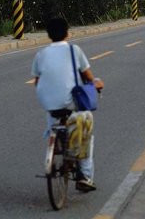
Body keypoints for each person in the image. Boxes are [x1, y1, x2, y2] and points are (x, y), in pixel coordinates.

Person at [31, 16, 104, 192]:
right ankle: (85, 176)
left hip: (49, 104)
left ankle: (54, 139)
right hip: (70, 103)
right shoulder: (74, 50)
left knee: (54, 120)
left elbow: (37, 81)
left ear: (48, 35)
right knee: (86, 130)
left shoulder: (40, 54)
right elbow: (88, 77)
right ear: (67, 33)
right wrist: (97, 84)